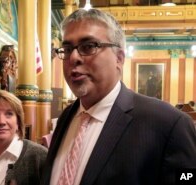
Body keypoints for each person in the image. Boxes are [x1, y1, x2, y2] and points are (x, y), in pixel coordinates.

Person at [41, 8, 196, 185]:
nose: (74, 57)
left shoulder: (168, 124)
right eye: (67, 49)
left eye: (89, 46)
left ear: (119, 58)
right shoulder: (66, 117)